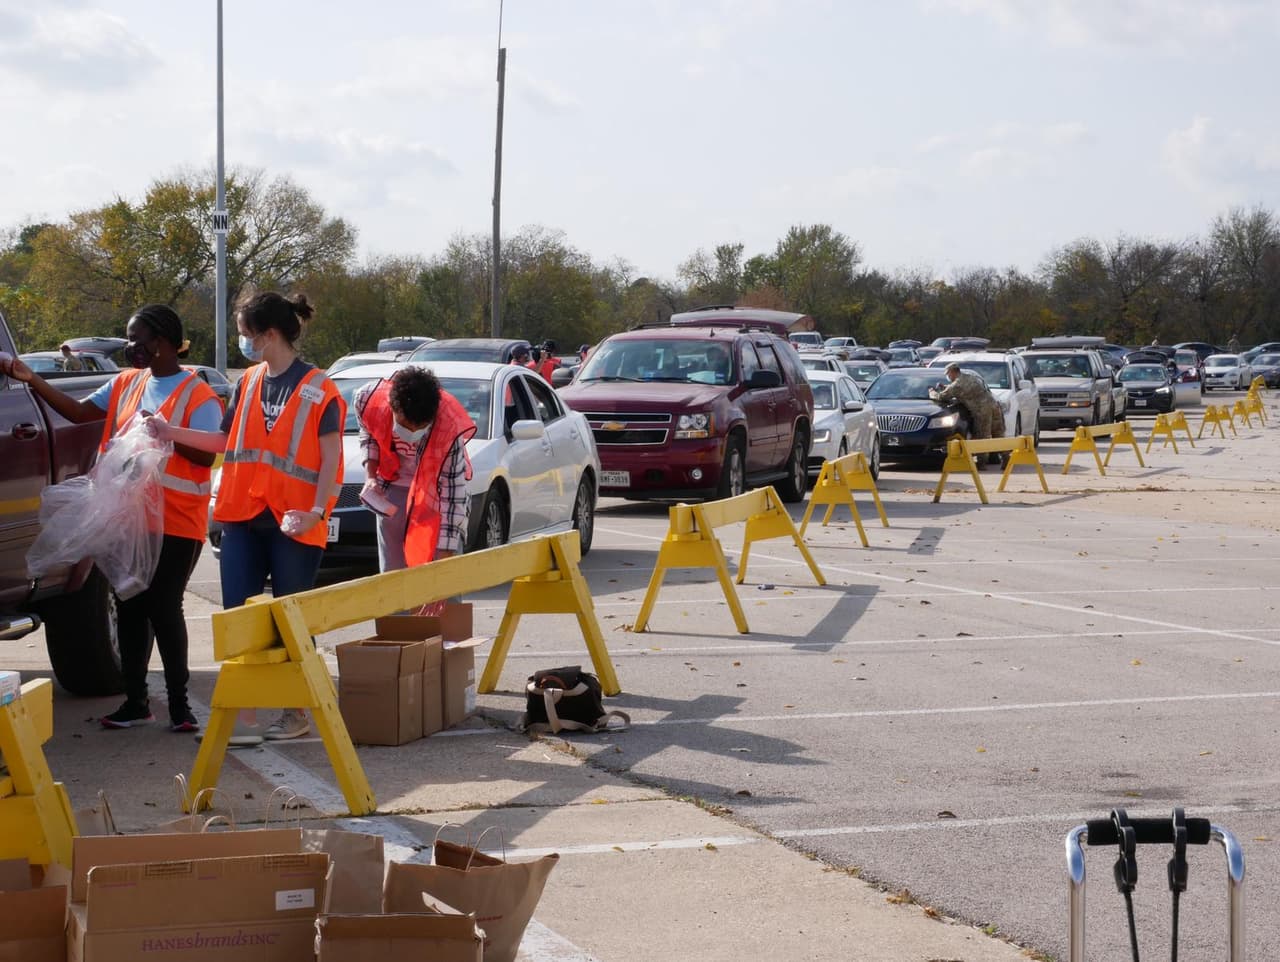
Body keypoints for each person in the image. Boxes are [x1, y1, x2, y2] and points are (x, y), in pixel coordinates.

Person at [3, 307, 220, 731]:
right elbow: (81, 412)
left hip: (176, 521)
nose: (130, 348)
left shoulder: (198, 395)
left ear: (160, 342)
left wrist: (167, 434)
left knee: (164, 607)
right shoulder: (127, 383)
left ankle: (180, 707)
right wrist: (33, 380)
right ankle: (136, 702)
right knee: (131, 604)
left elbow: (208, 451)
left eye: (136, 339)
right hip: (129, 518)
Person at [155, 291, 345, 744]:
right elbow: (224, 440)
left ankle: (297, 711)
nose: (242, 342)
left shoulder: (321, 389)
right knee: (238, 617)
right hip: (242, 514)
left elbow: (332, 462)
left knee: (289, 623)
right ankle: (243, 720)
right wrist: (168, 431)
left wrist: (316, 513)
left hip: (294, 522)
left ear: (269, 335)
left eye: (245, 334)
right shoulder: (249, 382)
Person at [354, 366, 476, 572]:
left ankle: (448, 603)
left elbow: (453, 491)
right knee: (393, 573)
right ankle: (397, 606)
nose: (410, 434)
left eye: (420, 429)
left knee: (447, 574)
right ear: (393, 407)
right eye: (404, 425)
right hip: (392, 491)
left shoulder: (449, 426)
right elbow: (369, 436)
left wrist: (446, 552)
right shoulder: (366, 400)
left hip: (436, 495)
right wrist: (371, 476)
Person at [931, 362, 1005, 468]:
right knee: (998, 433)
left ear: (953, 372)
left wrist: (931, 392)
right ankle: (1006, 457)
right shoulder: (970, 377)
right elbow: (965, 388)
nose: (948, 376)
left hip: (981, 410)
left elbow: (941, 397)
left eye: (948, 374)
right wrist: (946, 386)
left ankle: (981, 463)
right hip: (993, 405)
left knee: (982, 436)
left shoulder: (957, 385)